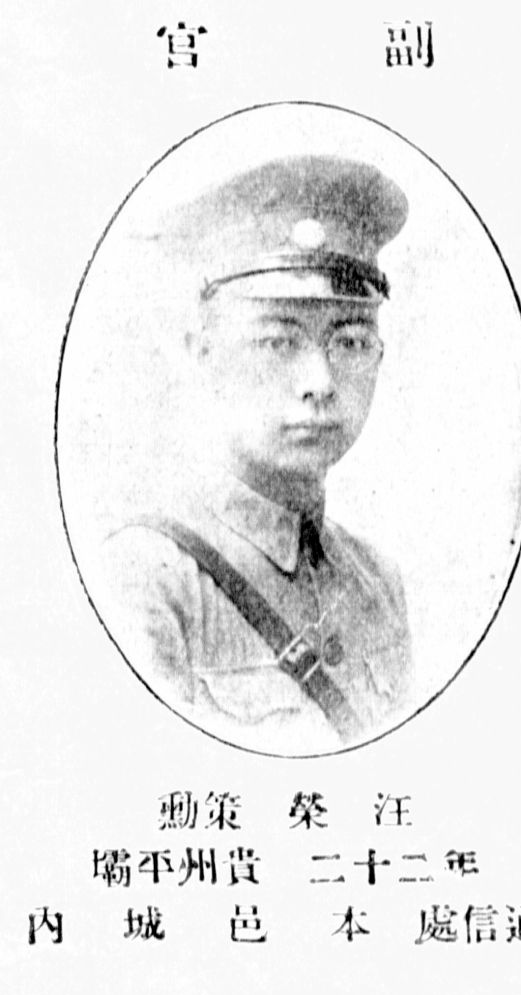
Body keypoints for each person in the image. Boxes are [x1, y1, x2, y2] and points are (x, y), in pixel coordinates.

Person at [100, 154, 412, 755]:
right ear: (204, 354)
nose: (320, 381)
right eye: (277, 341)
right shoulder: (147, 581)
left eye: (350, 340)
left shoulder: (378, 582)